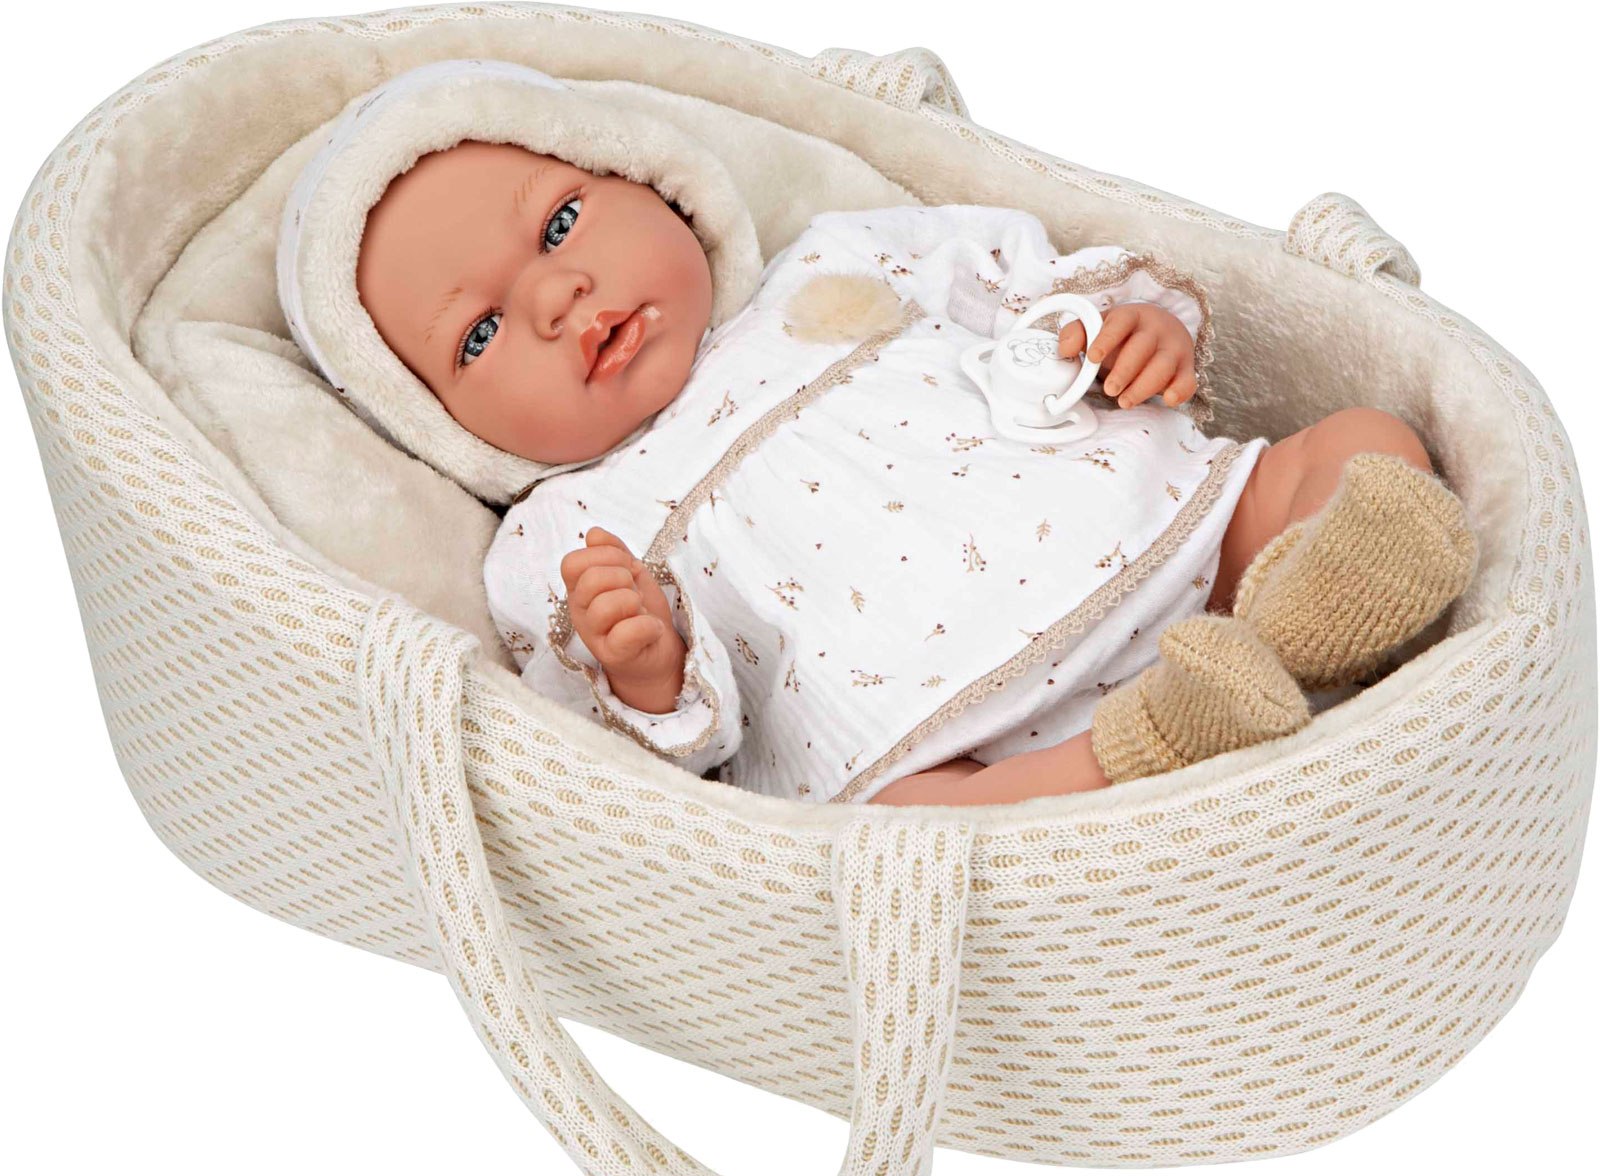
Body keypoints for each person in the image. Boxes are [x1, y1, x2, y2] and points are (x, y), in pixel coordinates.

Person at [278, 59, 1477, 806]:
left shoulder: (842, 256)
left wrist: (1132, 329)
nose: (555, 297)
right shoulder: (562, 535)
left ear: (655, 182)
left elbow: (1037, 290)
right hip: (949, 731)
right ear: (446, 429)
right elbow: (620, 766)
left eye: (559, 224)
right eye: (480, 336)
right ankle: (1140, 751)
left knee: (1362, 442)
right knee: (907, 827)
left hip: (1177, 540)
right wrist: (646, 671)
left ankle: (1304, 620)